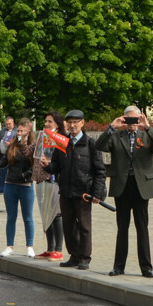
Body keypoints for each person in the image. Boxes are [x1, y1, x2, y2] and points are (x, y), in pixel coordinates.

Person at [99, 106, 153, 278]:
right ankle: (119, 266)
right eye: (128, 120)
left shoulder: (146, 135)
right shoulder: (116, 136)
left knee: (142, 227)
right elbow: (100, 145)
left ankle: (146, 267)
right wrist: (112, 127)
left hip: (141, 186)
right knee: (122, 228)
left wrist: (147, 126)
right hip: (122, 186)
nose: (131, 123)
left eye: (134, 120)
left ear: (140, 119)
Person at [41, 109, 105, 271]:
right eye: (69, 122)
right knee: (68, 225)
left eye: (76, 122)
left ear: (82, 123)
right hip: (66, 191)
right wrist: (47, 166)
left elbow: (100, 170)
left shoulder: (91, 144)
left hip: (83, 192)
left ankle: (84, 257)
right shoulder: (62, 143)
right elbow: (56, 166)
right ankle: (74, 255)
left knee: (84, 226)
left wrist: (97, 193)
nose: (72, 125)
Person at [0, 118, 37, 257]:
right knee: (11, 217)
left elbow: (35, 166)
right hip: (10, 184)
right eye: (17, 130)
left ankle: (30, 246)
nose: (18, 133)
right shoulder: (12, 145)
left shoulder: (33, 146)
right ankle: (9, 246)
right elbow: (2, 163)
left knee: (28, 217)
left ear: (28, 130)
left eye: (21, 130)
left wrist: (26, 175)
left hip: (26, 186)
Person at [33, 111, 65, 260]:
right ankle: (50, 248)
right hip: (40, 180)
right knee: (46, 215)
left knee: (55, 214)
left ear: (57, 124)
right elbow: (31, 152)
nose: (46, 124)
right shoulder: (41, 136)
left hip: (53, 180)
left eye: (50, 122)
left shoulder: (60, 139)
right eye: (45, 121)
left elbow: (61, 161)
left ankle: (58, 249)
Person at [0, 116, 17, 194]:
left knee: (12, 173)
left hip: (12, 155)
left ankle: (11, 190)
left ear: (13, 124)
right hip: (3, 154)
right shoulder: (2, 131)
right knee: (2, 172)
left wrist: (10, 144)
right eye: (6, 124)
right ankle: (1, 189)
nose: (8, 125)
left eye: (9, 124)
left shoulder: (17, 132)